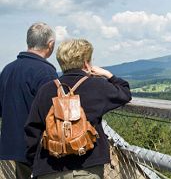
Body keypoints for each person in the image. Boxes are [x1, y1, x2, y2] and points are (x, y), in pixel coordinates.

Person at [25, 39, 131, 178]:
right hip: (87, 166)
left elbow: (32, 130)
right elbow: (125, 93)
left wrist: (34, 162)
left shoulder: (46, 90)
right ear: (86, 62)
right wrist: (107, 74)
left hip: (49, 167)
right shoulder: (97, 86)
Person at [0, 23, 57, 179]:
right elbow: (53, 112)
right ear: (50, 44)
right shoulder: (46, 72)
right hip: (40, 147)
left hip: (15, 146)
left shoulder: (8, 69)